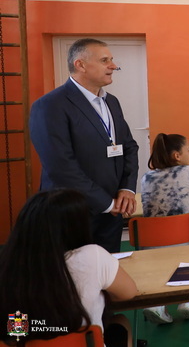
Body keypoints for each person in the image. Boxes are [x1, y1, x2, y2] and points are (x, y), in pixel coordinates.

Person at [29, 38, 139, 253]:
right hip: (72, 213)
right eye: (104, 60)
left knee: (108, 269)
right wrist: (106, 203)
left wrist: (127, 188)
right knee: (71, 272)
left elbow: (129, 147)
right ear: (80, 65)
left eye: (112, 60)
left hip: (111, 213)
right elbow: (60, 167)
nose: (113, 66)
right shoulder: (50, 105)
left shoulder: (111, 102)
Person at [0, 189, 137, 346]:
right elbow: (128, 292)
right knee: (121, 322)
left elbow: (14, 334)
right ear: (77, 226)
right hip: (85, 340)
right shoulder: (92, 256)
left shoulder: (9, 266)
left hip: (28, 340)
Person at [139, 133, 189, 324]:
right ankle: (188, 300)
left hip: (149, 246)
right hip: (184, 242)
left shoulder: (146, 177)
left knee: (162, 255)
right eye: (188, 149)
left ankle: (156, 303)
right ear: (177, 155)